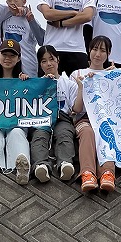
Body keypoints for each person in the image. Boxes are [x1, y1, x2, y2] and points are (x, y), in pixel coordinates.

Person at [0, 39, 36, 187]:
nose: (7, 58)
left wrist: (29, 84)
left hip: (16, 124)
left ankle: (22, 169)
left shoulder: (25, 81)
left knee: (17, 134)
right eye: (4, 54)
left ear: (18, 59)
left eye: (12, 55)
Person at [72, 35, 116, 194]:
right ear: (88, 51)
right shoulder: (78, 73)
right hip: (84, 119)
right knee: (88, 131)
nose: (98, 54)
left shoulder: (113, 74)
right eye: (95, 49)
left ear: (108, 53)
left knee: (106, 131)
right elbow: (76, 109)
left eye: (103, 50)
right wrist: (81, 87)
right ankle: (87, 173)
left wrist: (114, 79)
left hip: (106, 118)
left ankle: (107, 173)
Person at [37, 0, 94, 75]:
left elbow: (87, 16)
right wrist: (73, 13)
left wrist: (61, 23)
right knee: (49, 91)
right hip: (53, 49)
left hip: (77, 50)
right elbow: (47, 14)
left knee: (79, 90)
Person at [37, 45, 77, 182]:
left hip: (62, 117)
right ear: (40, 65)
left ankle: (65, 163)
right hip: (41, 119)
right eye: (43, 61)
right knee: (39, 136)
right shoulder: (36, 84)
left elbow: (75, 108)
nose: (48, 64)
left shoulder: (69, 83)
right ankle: (40, 165)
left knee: (65, 134)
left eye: (51, 59)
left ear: (58, 60)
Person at [0, 0, 45, 77]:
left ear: (24, 1)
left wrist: (31, 20)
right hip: (8, 69)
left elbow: (42, 40)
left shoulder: (30, 19)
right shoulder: (3, 19)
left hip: (28, 68)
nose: (12, 2)